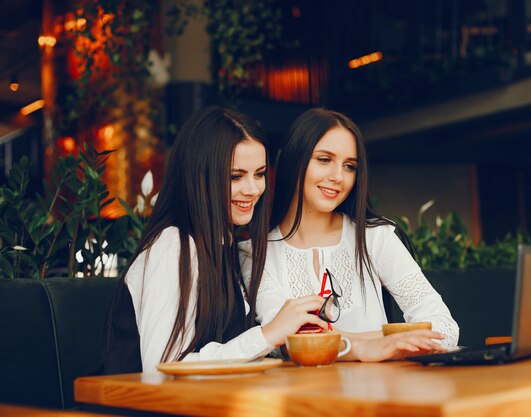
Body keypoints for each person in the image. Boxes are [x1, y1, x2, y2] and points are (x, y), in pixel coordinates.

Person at [101, 106, 329, 373]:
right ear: (199, 176)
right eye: (235, 176)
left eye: (259, 174)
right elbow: (162, 369)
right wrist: (267, 335)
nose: (253, 189)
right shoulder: (173, 246)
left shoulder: (224, 247)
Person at [241, 108, 459, 360]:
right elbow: (290, 341)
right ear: (295, 160)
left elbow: (443, 326)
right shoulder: (253, 254)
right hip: (301, 397)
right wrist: (379, 341)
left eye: (350, 166)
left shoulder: (374, 238)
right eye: (324, 160)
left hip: (381, 394)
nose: (338, 177)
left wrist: (358, 341)